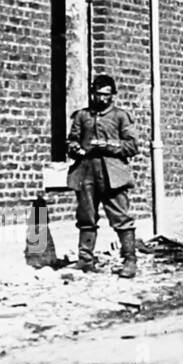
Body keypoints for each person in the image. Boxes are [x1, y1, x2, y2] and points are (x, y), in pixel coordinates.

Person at [67, 75, 141, 277]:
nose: (101, 99)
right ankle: (85, 260)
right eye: (98, 94)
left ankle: (129, 260)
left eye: (106, 95)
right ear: (92, 94)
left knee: (121, 217)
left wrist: (109, 146)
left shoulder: (120, 116)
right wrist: (75, 148)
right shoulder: (82, 116)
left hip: (112, 172)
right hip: (86, 171)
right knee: (86, 217)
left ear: (112, 96)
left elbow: (132, 146)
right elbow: (71, 141)